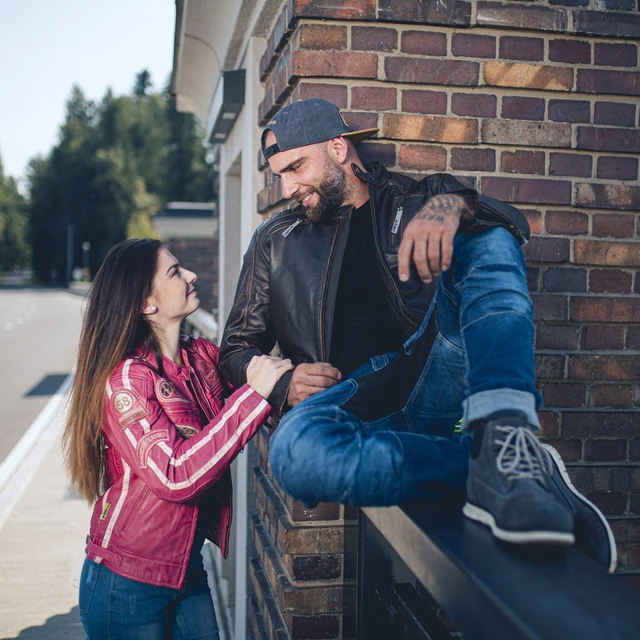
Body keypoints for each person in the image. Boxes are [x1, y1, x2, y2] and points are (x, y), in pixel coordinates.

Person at [219, 99, 616, 572]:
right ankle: (494, 465)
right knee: (296, 455)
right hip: (359, 401)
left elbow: (512, 226)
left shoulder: (415, 198)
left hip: (437, 374)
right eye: (280, 174)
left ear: (338, 148)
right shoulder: (274, 240)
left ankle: (504, 427)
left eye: (296, 167)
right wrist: (283, 384)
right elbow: (235, 350)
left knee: (487, 236)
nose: (287, 187)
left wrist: (454, 206)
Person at [63, 238, 293, 639]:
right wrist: (255, 395)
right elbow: (173, 474)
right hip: (127, 582)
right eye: (174, 272)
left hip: (185, 566)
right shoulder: (127, 381)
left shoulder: (199, 356)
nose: (190, 275)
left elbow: (244, 401)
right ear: (146, 304)